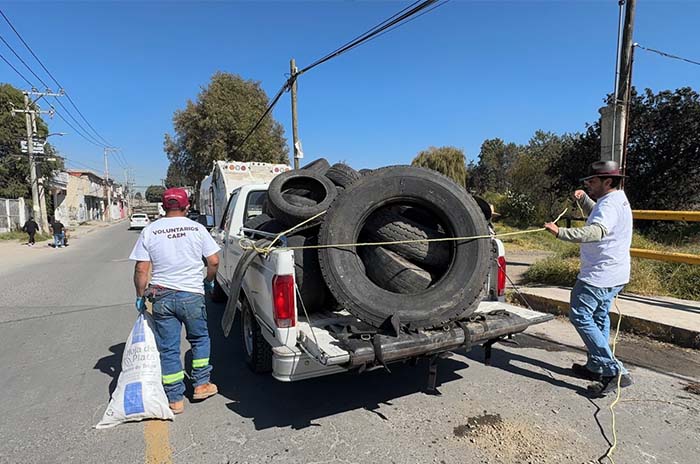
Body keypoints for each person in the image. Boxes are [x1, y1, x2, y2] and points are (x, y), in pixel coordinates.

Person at [544, 160, 633, 397]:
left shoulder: (608, 206)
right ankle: (597, 366)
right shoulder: (616, 200)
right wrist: (584, 199)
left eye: (592, 181)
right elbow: (602, 216)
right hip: (615, 273)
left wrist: (561, 232)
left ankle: (613, 370)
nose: (588, 184)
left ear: (608, 181)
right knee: (598, 316)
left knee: (581, 316)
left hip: (599, 275)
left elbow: (597, 231)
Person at [129, 187, 221, 414]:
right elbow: (214, 260)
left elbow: (141, 268)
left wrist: (140, 296)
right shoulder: (197, 228)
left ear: (163, 206)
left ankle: (174, 398)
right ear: (187, 205)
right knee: (199, 339)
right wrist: (208, 281)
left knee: (168, 348)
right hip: (191, 294)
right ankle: (200, 384)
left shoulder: (150, 230)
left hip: (161, 296)